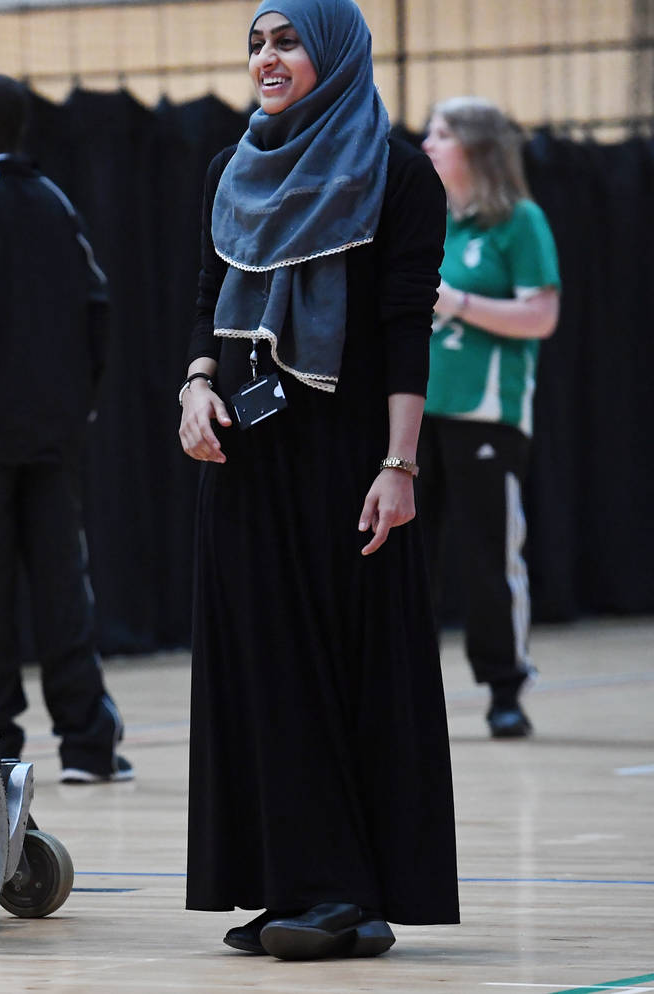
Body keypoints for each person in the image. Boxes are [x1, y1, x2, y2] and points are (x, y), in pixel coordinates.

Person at [177, 0, 459, 960]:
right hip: (244, 453)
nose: (267, 56)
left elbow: (404, 326)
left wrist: (399, 465)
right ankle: (282, 881)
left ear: (333, 53)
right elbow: (206, 301)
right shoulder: (228, 168)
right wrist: (193, 389)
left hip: (349, 458)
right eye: (257, 41)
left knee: (340, 664)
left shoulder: (400, 172)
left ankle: (348, 891)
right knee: (259, 667)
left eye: (287, 38)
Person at [0, 73, 131, 785]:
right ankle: (88, 745)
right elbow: (98, 305)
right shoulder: (58, 203)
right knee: (63, 587)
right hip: (54, 437)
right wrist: (82, 402)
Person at [420, 98, 561, 739]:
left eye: (442, 133)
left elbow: (540, 317)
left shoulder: (519, 222)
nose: (427, 142)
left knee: (487, 556)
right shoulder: (430, 222)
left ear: (477, 147)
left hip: (487, 416)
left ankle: (505, 688)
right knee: (403, 558)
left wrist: (458, 303)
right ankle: (401, 689)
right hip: (415, 416)